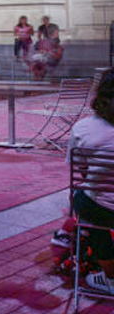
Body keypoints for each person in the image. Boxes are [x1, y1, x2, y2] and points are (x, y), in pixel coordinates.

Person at [67, 68, 114, 295]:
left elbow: (82, 171)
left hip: (101, 208)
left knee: (86, 204)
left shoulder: (83, 128)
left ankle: (110, 278)